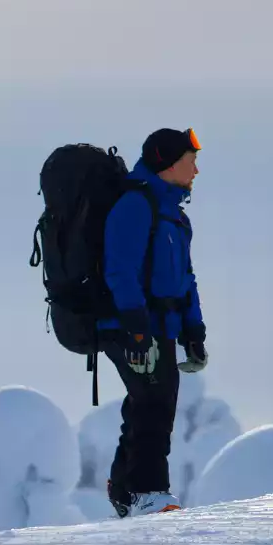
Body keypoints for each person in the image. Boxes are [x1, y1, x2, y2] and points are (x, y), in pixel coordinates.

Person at [100, 127, 207, 517]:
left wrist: (193, 331)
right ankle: (148, 492)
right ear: (167, 163)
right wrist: (136, 326)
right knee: (153, 404)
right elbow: (120, 269)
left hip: (160, 326)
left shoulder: (174, 217)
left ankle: (126, 489)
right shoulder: (135, 205)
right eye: (190, 161)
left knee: (150, 402)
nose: (196, 171)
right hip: (129, 325)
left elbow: (186, 279)